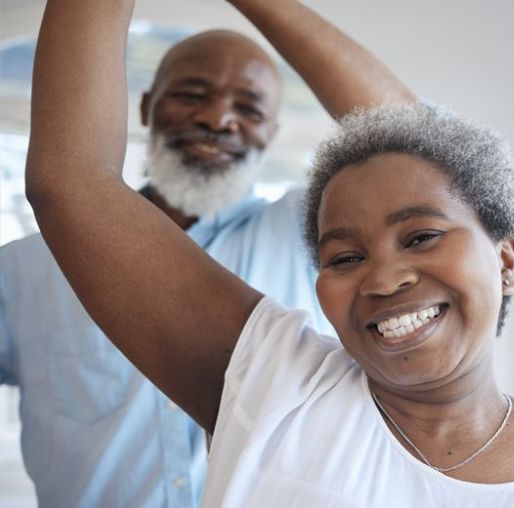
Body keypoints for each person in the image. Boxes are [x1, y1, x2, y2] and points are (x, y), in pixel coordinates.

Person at [26, 0, 514, 506]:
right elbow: (71, 185)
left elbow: (421, 142)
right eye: (343, 257)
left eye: (422, 235)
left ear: (508, 260)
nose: (385, 276)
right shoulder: (279, 390)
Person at [0, 0, 414, 505]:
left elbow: (414, 143)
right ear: (148, 106)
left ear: (272, 134)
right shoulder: (23, 269)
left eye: (249, 108)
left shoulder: (312, 233)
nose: (219, 119)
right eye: (193, 94)